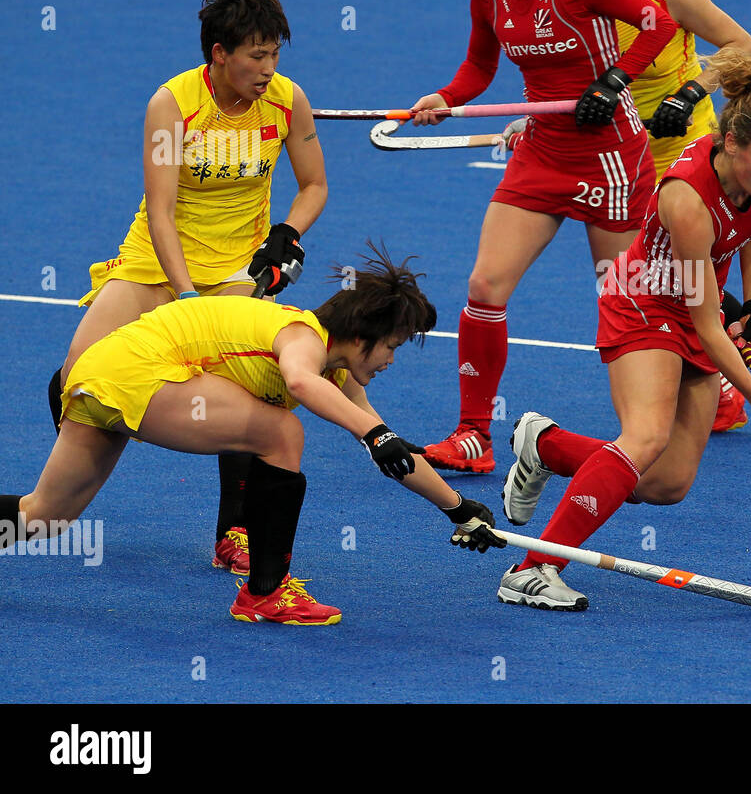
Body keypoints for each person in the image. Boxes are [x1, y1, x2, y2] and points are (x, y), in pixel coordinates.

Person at [2, 249, 504, 624]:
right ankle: (266, 593)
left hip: (103, 375)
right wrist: (374, 433)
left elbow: (387, 449)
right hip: (135, 370)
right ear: (359, 337)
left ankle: (261, 584)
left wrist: (457, 507)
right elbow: (301, 384)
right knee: (281, 429)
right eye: (390, 347)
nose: (390, 361)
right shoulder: (302, 339)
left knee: (44, 517)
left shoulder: (336, 369)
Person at [492, 50, 751, 611]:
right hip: (643, 302)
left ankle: (545, 444)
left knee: (665, 484)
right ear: (730, 142)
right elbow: (710, 327)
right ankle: (534, 568)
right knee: (645, 438)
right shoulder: (686, 201)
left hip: (691, 306)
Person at [51, 0, 329, 578]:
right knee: (78, 372)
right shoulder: (171, 106)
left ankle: (235, 531)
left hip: (236, 271)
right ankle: (55, 500)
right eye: (256, 55)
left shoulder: (287, 102)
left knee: (252, 396)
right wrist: (182, 299)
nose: (268, 68)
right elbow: (160, 212)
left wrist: (288, 232)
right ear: (219, 54)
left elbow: (315, 186)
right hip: (158, 260)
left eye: (275, 54)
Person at [408, 0, 679, 474]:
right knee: (485, 287)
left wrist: (614, 82)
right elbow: (478, 68)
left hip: (609, 154)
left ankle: (649, 430)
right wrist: (446, 99)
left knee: (625, 299)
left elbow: (656, 24)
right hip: (541, 153)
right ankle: (473, 436)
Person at [580, 0, 751, 433]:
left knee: (679, 265)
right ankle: (726, 359)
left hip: (684, 143)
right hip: (618, 152)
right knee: (642, 275)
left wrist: (692, 92)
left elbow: (741, 44)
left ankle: (735, 352)